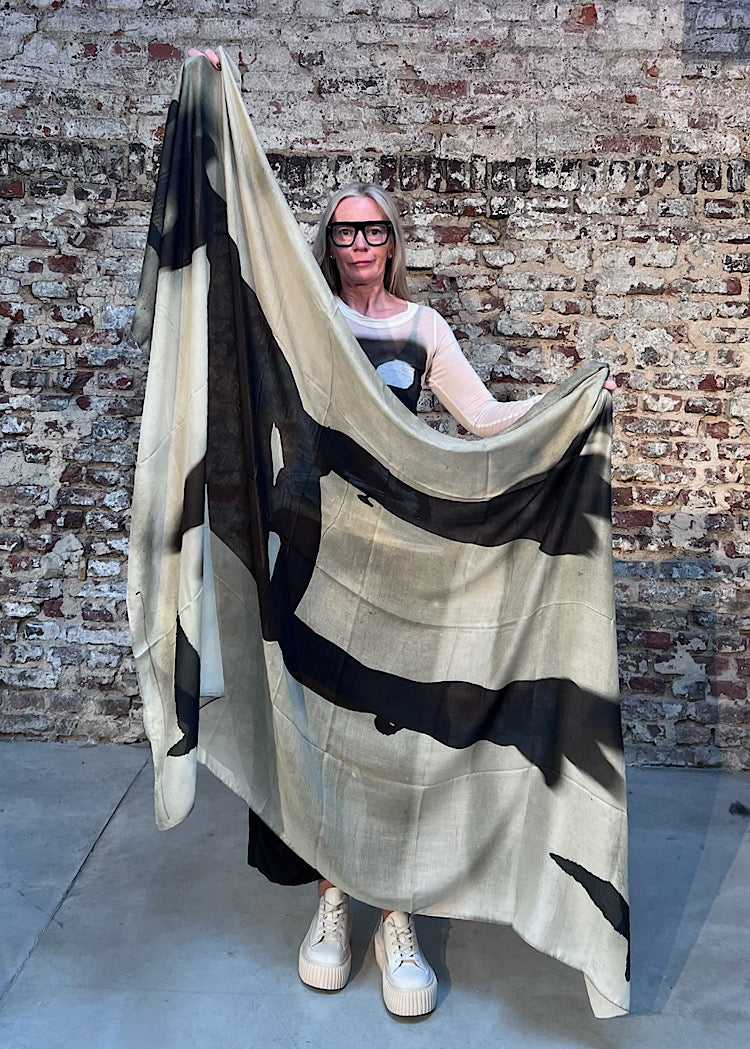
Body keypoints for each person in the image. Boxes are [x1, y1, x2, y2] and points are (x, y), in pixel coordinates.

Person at [187, 47, 616, 1018]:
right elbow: (232, 248)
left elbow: (485, 420)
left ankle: (395, 914)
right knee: (323, 735)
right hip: (312, 552)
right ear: (328, 242)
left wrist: (572, 403)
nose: (360, 242)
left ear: (392, 241)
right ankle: (333, 900)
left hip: (397, 560)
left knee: (395, 743)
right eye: (345, 229)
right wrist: (217, 100)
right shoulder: (301, 321)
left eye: (374, 228)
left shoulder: (420, 328)